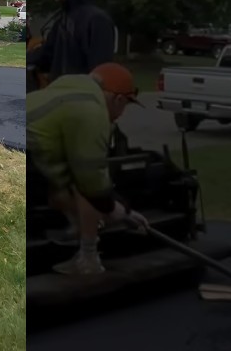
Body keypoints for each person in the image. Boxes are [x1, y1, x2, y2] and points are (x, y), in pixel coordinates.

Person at [28, 62, 150, 276]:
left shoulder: (66, 91)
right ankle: (88, 258)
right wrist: (115, 210)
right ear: (119, 99)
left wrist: (122, 208)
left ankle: (77, 230)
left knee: (73, 187)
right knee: (85, 189)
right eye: (126, 106)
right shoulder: (92, 111)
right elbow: (90, 179)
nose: (121, 114)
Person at [34, 0, 116, 86]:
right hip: (58, 100)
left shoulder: (96, 20)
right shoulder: (61, 21)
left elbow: (100, 72)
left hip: (83, 102)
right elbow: (45, 56)